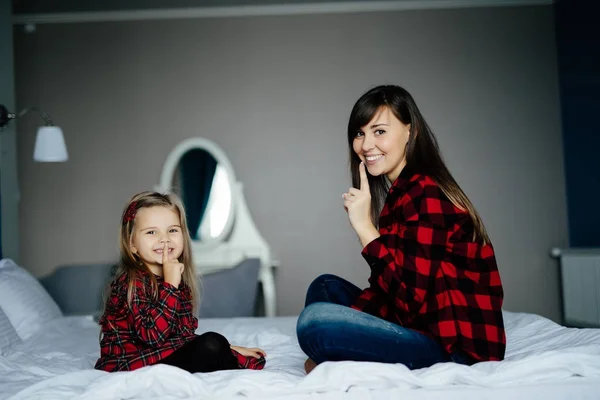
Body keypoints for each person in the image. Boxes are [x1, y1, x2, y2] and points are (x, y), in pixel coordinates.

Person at [296, 85, 506, 374]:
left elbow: (407, 298)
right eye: (360, 133)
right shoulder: (403, 193)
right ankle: (340, 357)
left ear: (410, 131)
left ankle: (338, 358)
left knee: (315, 322)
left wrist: (364, 227)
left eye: (379, 131)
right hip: (418, 322)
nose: (366, 145)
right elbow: (391, 293)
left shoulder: (426, 192)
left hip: (452, 348)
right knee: (324, 288)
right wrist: (354, 327)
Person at [95, 191, 266, 373]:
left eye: (173, 230)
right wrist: (170, 285)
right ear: (132, 244)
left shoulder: (176, 278)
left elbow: (180, 337)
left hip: (162, 354)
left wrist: (231, 348)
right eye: (152, 232)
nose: (165, 239)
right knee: (212, 344)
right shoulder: (132, 283)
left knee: (216, 343)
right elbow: (153, 337)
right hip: (135, 362)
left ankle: (223, 357)